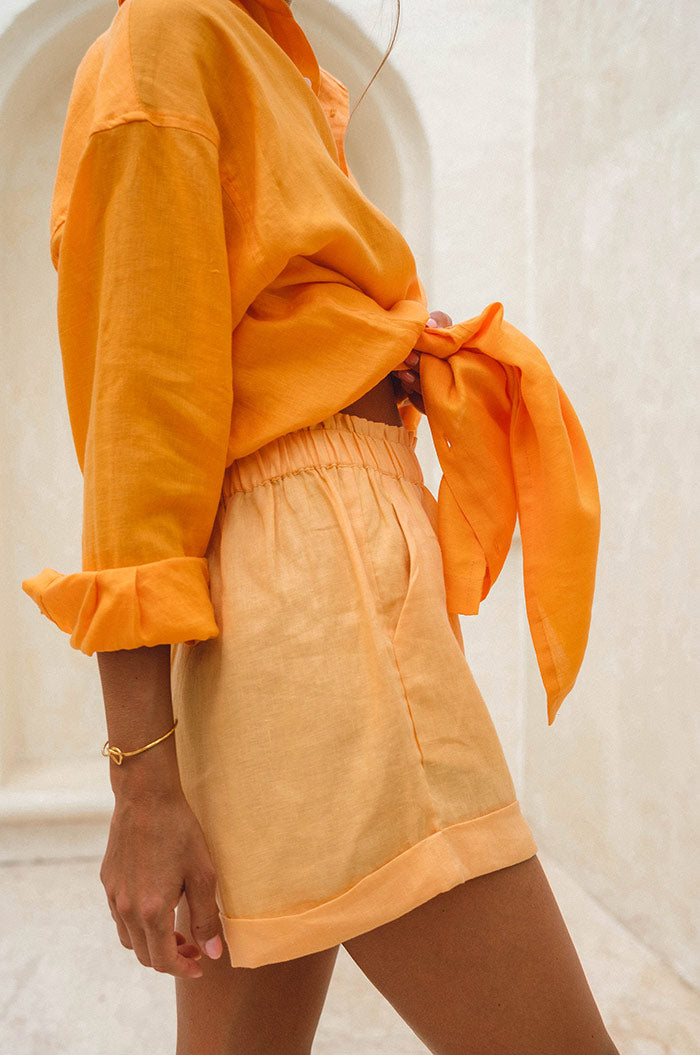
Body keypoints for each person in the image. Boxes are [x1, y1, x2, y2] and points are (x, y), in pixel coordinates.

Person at [22, 0, 617, 1051]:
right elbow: (140, 423)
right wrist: (142, 783)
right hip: (320, 583)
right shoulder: (176, 33)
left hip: (298, 580)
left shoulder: (264, 52)